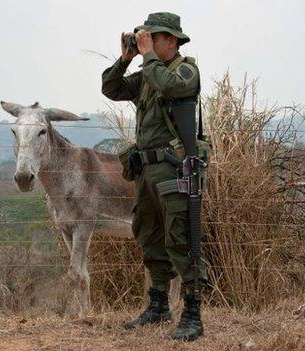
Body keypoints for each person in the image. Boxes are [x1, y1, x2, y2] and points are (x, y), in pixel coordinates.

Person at [101, 12, 209, 341]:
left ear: (172, 40)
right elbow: (112, 88)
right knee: (149, 235)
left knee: (180, 238)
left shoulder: (185, 71)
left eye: (153, 38)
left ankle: (192, 312)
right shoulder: (148, 73)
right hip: (146, 169)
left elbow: (169, 85)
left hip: (175, 166)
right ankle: (159, 304)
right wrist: (125, 58)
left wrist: (146, 56)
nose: (147, 42)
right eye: (145, 37)